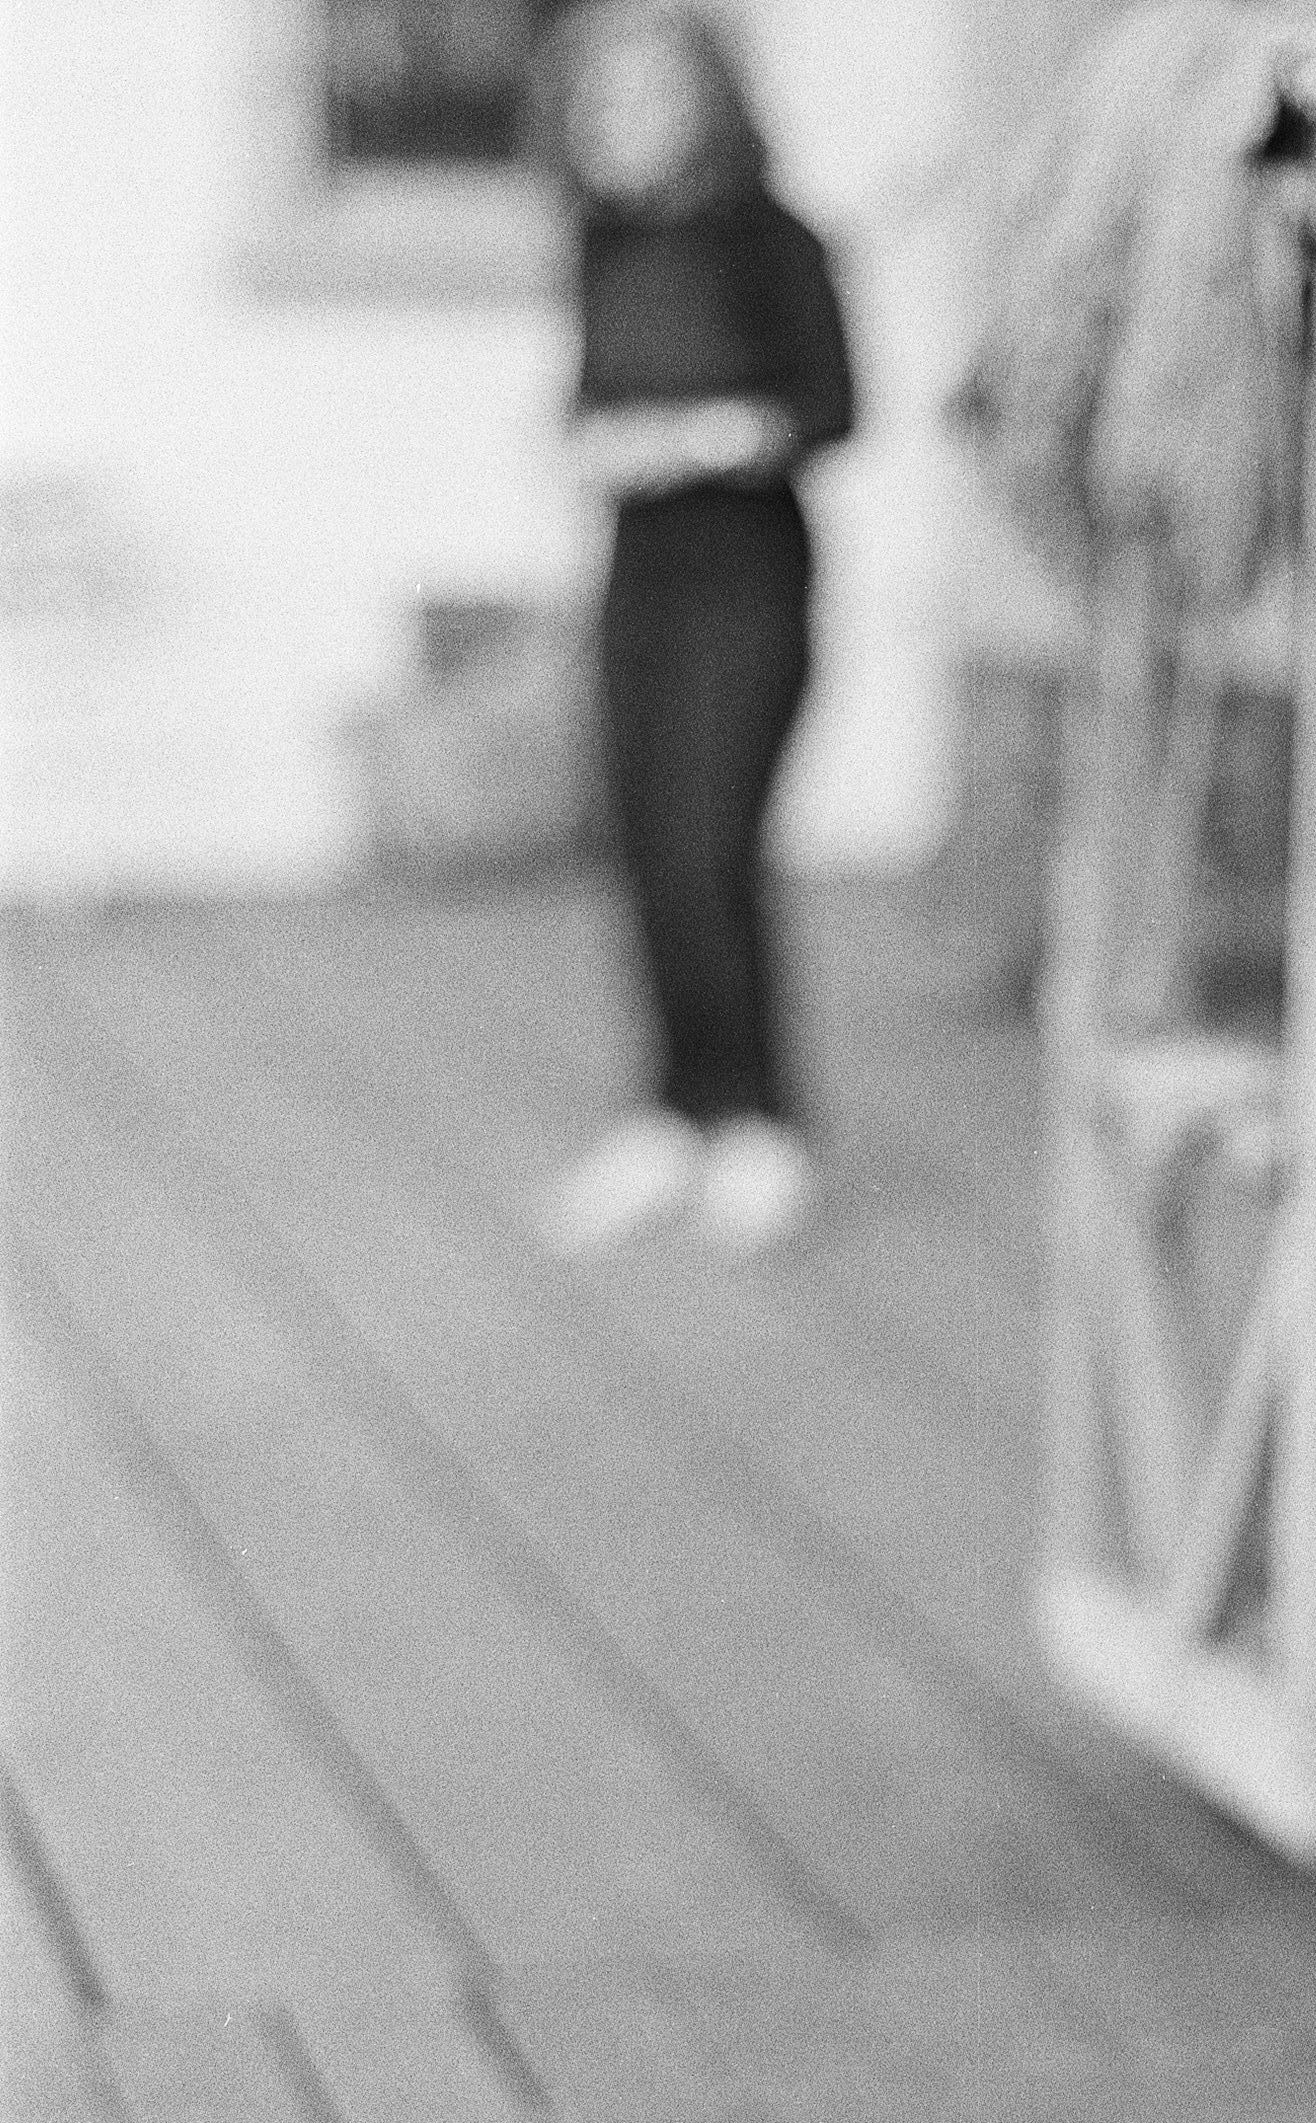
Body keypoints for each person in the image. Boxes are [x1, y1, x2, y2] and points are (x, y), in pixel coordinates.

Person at [534, 0, 855, 1256]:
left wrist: (718, 436)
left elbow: (831, 406)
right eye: (602, 100)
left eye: (650, 94)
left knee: (713, 847)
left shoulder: (775, 240)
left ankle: (759, 1119)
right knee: (643, 849)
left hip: (747, 581)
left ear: (709, 102)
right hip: (640, 578)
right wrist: (598, 445)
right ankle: (673, 1107)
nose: (624, 121)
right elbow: (585, 402)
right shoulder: (601, 242)